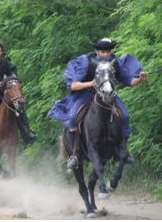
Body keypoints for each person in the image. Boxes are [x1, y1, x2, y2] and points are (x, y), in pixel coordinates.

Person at [48, 38, 148, 169]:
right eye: (103, 51)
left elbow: (129, 81)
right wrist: (90, 84)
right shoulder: (85, 62)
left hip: (108, 94)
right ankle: (75, 155)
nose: (106, 54)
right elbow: (74, 85)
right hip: (86, 94)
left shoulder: (114, 62)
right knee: (73, 117)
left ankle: (122, 151)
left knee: (126, 116)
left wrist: (140, 79)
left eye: (108, 51)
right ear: (97, 51)